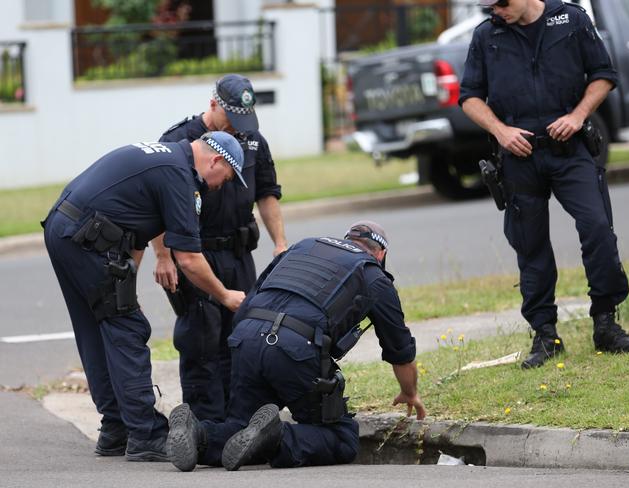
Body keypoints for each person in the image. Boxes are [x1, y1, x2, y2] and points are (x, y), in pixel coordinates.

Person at [460, 0, 629, 368]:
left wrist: (577, 116)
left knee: (597, 229)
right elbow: (470, 96)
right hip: (518, 156)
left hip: (569, 149)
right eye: (489, 5)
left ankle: (606, 324)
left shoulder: (571, 19)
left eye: (502, 2)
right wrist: (500, 130)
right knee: (531, 248)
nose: (496, 10)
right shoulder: (486, 35)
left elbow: (603, 74)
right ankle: (546, 336)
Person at [42, 132, 247, 461]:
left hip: (66, 229)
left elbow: (134, 229)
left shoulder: (166, 157)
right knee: (128, 328)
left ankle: (115, 428)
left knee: (98, 327)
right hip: (87, 237)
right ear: (216, 161)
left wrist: (128, 287)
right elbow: (189, 259)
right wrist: (225, 296)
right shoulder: (180, 177)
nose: (221, 185)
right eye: (226, 178)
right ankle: (145, 434)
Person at [165, 220, 426, 472]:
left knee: (241, 425)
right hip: (293, 347)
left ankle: (198, 433)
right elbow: (400, 351)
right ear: (381, 254)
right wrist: (410, 392)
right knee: (342, 436)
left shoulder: (303, 246)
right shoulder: (372, 274)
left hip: (246, 337)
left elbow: (252, 299)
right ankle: (277, 438)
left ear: (347, 240)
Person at [153, 74, 288, 423]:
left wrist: (280, 244)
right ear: (213, 104)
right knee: (201, 341)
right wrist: (162, 255)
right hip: (197, 255)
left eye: (243, 121)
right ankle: (203, 426)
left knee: (243, 336)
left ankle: (237, 420)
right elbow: (156, 204)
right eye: (231, 119)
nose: (237, 129)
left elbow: (267, 193)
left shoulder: (252, 139)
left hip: (240, 254)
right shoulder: (179, 140)